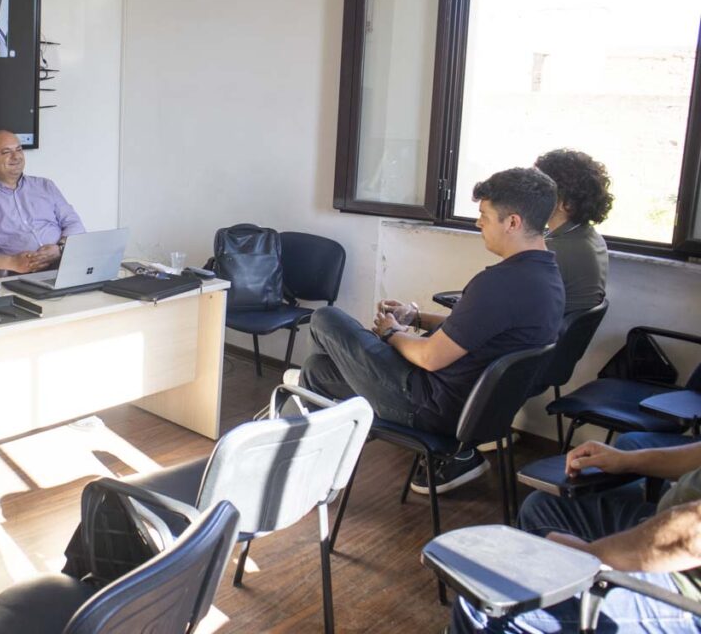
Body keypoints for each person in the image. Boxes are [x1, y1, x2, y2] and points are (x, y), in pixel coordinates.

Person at [296, 168, 565, 492]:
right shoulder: (547, 278)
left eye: (484, 215)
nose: (478, 223)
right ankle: (315, 472)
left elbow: (429, 358)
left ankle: (310, 469)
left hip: (428, 406)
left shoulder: (498, 284)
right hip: (476, 413)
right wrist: (416, 318)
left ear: (512, 222)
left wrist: (391, 332)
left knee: (325, 319)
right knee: (317, 370)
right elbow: (475, 332)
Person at [450, 439, 701, 633]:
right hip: (667, 521)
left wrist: (589, 557)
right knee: (543, 508)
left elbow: (692, 537)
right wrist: (627, 460)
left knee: (480, 605)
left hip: (684, 586)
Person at [0, 130, 85, 274]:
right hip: (18, 275)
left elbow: (74, 223)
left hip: (63, 262)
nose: (16, 156)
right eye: (6, 152)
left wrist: (60, 248)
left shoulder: (45, 186)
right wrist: (11, 262)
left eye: (19, 150)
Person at [535, 149, 613, 315]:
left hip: (543, 337)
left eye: (537, 189)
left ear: (566, 203)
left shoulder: (555, 252)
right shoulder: (589, 236)